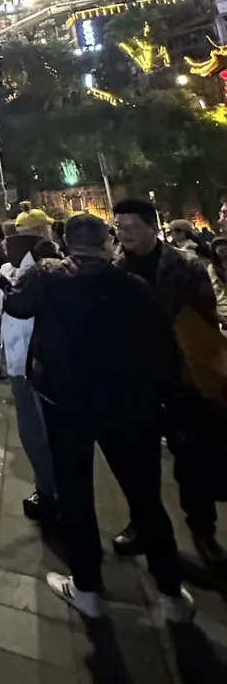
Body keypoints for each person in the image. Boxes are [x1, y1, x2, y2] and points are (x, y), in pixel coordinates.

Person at [5, 214, 195, 621]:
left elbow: (16, 306)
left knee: (75, 494)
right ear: (106, 243)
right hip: (128, 405)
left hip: (65, 402)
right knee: (145, 496)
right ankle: (171, 592)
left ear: (68, 241)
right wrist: (171, 405)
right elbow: (164, 349)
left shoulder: (47, 277)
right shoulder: (133, 287)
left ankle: (87, 586)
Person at [112, 197, 227, 566]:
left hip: (183, 378)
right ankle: (141, 523)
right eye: (119, 228)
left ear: (151, 226)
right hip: (135, 380)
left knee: (193, 459)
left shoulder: (185, 266)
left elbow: (206, 317)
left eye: (130, 227)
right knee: (136, 461)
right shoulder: (113, 271)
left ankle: (203, 530)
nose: (123, 234)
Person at [0, 231, 60, 523]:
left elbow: (21, 305)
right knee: (31, 430)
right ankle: (47, 489)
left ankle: (51, 493)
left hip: (36, 363)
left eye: (8, 245)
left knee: (40, 431)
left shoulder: (44, 272)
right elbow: (3, 308)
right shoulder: (13, 271)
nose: (3, 249)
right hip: (18, 360)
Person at [209, 236, 227, 328]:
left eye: (223, 244)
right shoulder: (213, 268)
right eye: (217, 246)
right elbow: (217, 291)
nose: (221, 248)